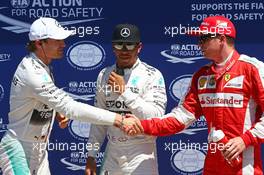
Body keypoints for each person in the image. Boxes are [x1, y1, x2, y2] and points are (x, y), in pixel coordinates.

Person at [0, 17, 142, 175]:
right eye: (57, 40)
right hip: (18, 149)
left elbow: (34, 103)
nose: (63, 44)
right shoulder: (32, 73)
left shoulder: (42, 65)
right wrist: (119, 119)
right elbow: (70, 108)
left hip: (38, 151)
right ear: (40, 43)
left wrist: (54, 110)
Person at [126, 16, 264, 175]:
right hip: (213, 165)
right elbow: (180, 118)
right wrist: (141, 125)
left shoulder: (253, 69)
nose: (199, 44)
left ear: (221, 39)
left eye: (204, 38)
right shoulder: (201, 76)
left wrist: (245, 139)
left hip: (245, 166)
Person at [85, 23, 167, 175]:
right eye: (119, 45)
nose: (124, 50)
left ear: (139, 47)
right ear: (112, 47)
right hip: (112, 153)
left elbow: (157, 117)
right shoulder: (104, 75)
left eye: (129, 45)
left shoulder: (152, 75)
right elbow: (98, 120)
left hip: (142, 153)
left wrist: (125, 92)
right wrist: (91, 155)